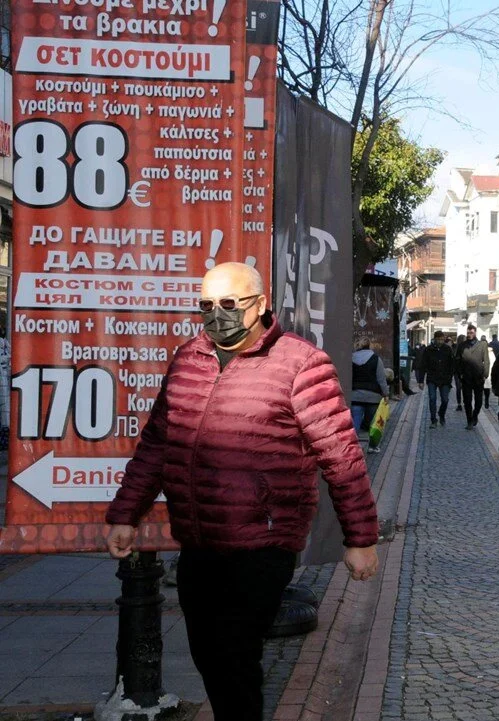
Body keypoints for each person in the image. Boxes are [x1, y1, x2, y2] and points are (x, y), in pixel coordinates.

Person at [105, 262, 378, 721]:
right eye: (207, 306)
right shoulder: (189, 358)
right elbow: (157, 444)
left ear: (260, 304)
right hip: (198, 539)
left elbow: (341, 455)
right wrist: (125, 513)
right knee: (208, 654)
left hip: (263, 542)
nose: (217, 315)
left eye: (229, 304)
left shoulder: (301, 364)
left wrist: (361, 539)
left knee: (234, 655)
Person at [351, 338, 391, 454]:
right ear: (370, 346)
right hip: (373, 397)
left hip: (355, 395)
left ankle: (352, 448)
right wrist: (386, 394)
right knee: (374, 424)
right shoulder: (376, 359)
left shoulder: (352, 358)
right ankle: (372, 447)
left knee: (355, 422)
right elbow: (381, 379)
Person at [415, 331, 455, 428]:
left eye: (442, 339)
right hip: (432, 378)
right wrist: (421, 381)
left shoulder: (447, 349)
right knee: (432, 398)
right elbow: (423, 365)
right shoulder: (428, 350)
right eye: (438, 339)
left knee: (445, 399)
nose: (440, 341)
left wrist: (450, 377)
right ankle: (433, 420)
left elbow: (452, 364)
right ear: (435, 339)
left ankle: (441, 414)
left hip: (445, 379)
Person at [455, 323, 491, 430]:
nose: (469, 334)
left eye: (471, 332)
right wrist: (460, 373)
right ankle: (469, 420)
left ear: (475, 332)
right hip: (466, 377)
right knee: (467, 401)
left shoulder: (482, 345)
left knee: (479, 401)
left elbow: (486, 361)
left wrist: (485, 374)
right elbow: (457, 360)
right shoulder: (462, 345)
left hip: (478, 377)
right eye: (468, 332)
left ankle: (475, 416)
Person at [483, 343, 497, 410]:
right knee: (487, 389)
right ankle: (486, 401)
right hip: (489, 373)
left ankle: (484, 401)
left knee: (482, 388)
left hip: (482, 373)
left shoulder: (482, 352)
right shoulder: (492, 353)